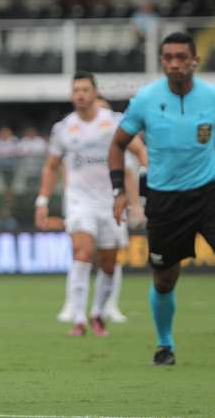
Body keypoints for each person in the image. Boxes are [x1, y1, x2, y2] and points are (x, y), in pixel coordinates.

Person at [108, 32, 215, 366]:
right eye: (168, 57)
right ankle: (164, 344)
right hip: (165, 200)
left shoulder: (211, 97)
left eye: (181, 57)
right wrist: (118, 190)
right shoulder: (146, 100)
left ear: (195, 60)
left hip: (209, 194)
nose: (174, 64)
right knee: (165, 278)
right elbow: (117, 144)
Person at [35, 72, 146, 337]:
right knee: (82, 253)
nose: (81, 95)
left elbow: (140, 151)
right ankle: (78, 318)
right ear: (72, 96)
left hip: (111, 201)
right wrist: (43, 201)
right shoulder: (63, 129)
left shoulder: (115, 123)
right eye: (76, 91)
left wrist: (143, 189)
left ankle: (98, 313)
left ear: (95, 93)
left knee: (108, 263)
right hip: (79, 201)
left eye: (85, 90)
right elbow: (51, 167)